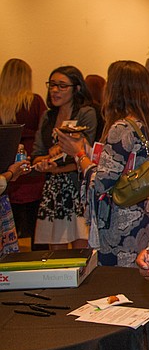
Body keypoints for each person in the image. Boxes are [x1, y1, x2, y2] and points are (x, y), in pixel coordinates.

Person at [56, 60, 149, 267]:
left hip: (119, 225)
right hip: (143, 217)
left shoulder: (121, 128)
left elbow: (101, 183)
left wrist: (78, 154)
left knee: (116, 284)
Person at [31, 65, 97, 250]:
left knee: (81, 251)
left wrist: (56, 164)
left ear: (76, 88)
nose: (54, 90)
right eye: (52, 85)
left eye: (61, 86)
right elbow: (36, 154)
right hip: (53, 191)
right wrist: (44, 162)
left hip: (77, 188)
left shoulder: (86, 113)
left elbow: (85, 154)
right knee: (55, 254)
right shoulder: (47, 116)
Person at [0, 58, 47, 250]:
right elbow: (44, 132)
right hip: (30, 166)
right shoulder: (34, 101)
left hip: (5, 165)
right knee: (37, 230)